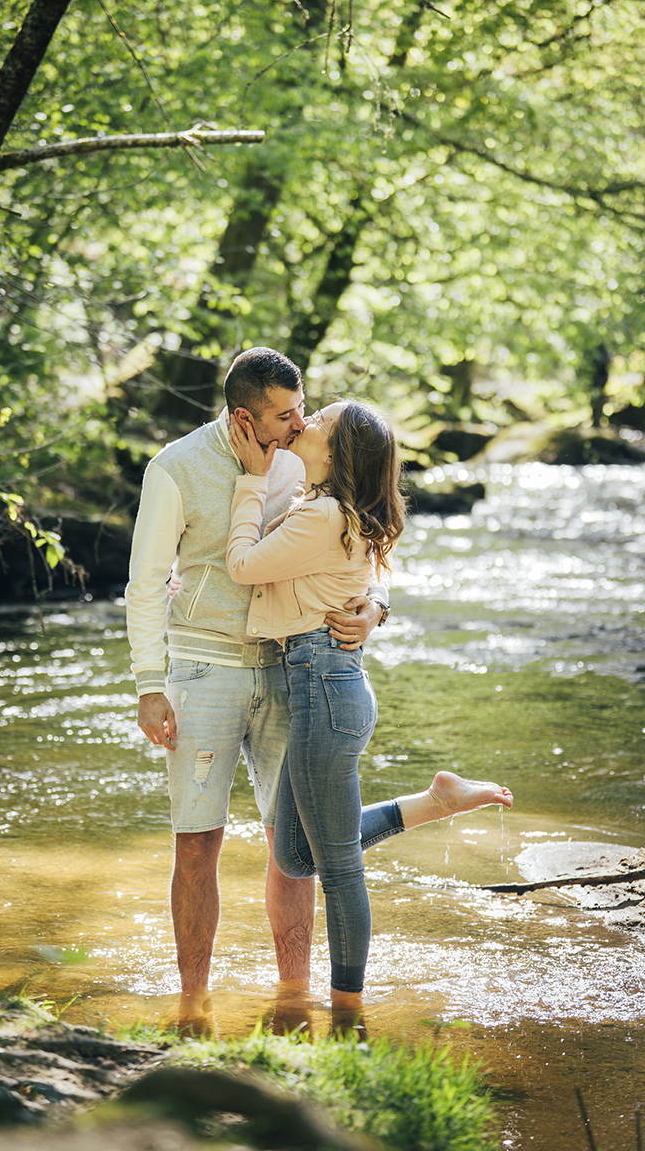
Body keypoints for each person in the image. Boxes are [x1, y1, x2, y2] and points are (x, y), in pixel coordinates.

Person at [126, 348, 390, 1020]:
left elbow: (356, 545)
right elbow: (145, 582)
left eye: (303, 408)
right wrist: (149, 683)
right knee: (197, 842)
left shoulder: (306, 458)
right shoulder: (175, 467)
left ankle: (293, 996)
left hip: (288, 671)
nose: (298, 424)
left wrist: (376, 611)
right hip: (203, 668)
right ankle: (193, 1003)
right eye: (283, 415)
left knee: (289, 847)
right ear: (245, 415)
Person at [226, 399, 514, 1013]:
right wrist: (376, 602)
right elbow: (363, 574)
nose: (303, 424)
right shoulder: (335, 512)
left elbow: (243, 565)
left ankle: (347, 1011)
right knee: (297, 854)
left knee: (338, 871)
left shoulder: (323, 514)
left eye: (318, 421)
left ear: (335, 453)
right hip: (325, 687)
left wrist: (251, 481)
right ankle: (435, 803)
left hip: (324, 689)